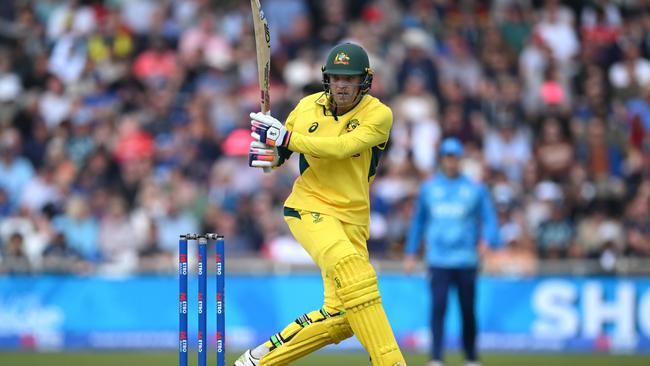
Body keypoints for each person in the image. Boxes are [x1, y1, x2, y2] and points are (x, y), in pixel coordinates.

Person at [237, 43, 406, 366]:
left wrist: (285, 139)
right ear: (327, 79)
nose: (342, 85)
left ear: (364, 81)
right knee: (358, 276)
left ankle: (258, 360)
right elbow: (277, 159)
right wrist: (264, 150)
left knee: (342, 317)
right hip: (309, 208)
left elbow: (342, 147)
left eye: (350, 79)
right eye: (336, 78)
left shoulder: (378, 114)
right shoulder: (305, 107)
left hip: (353, 219)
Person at [403, 137, 500, 366]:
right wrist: (410, 252)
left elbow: (490, 219)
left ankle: (471, 357)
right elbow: (418, 222)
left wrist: (487, 241)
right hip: (438, 259)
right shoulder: (429, 188)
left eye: (454, 156)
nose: (451, 161)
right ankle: (436, 358)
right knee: (438, 307)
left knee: (467, 309)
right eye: (447, 156)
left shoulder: (474, 188)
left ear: (460, 159)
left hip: (466, 258)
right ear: (442, 159)